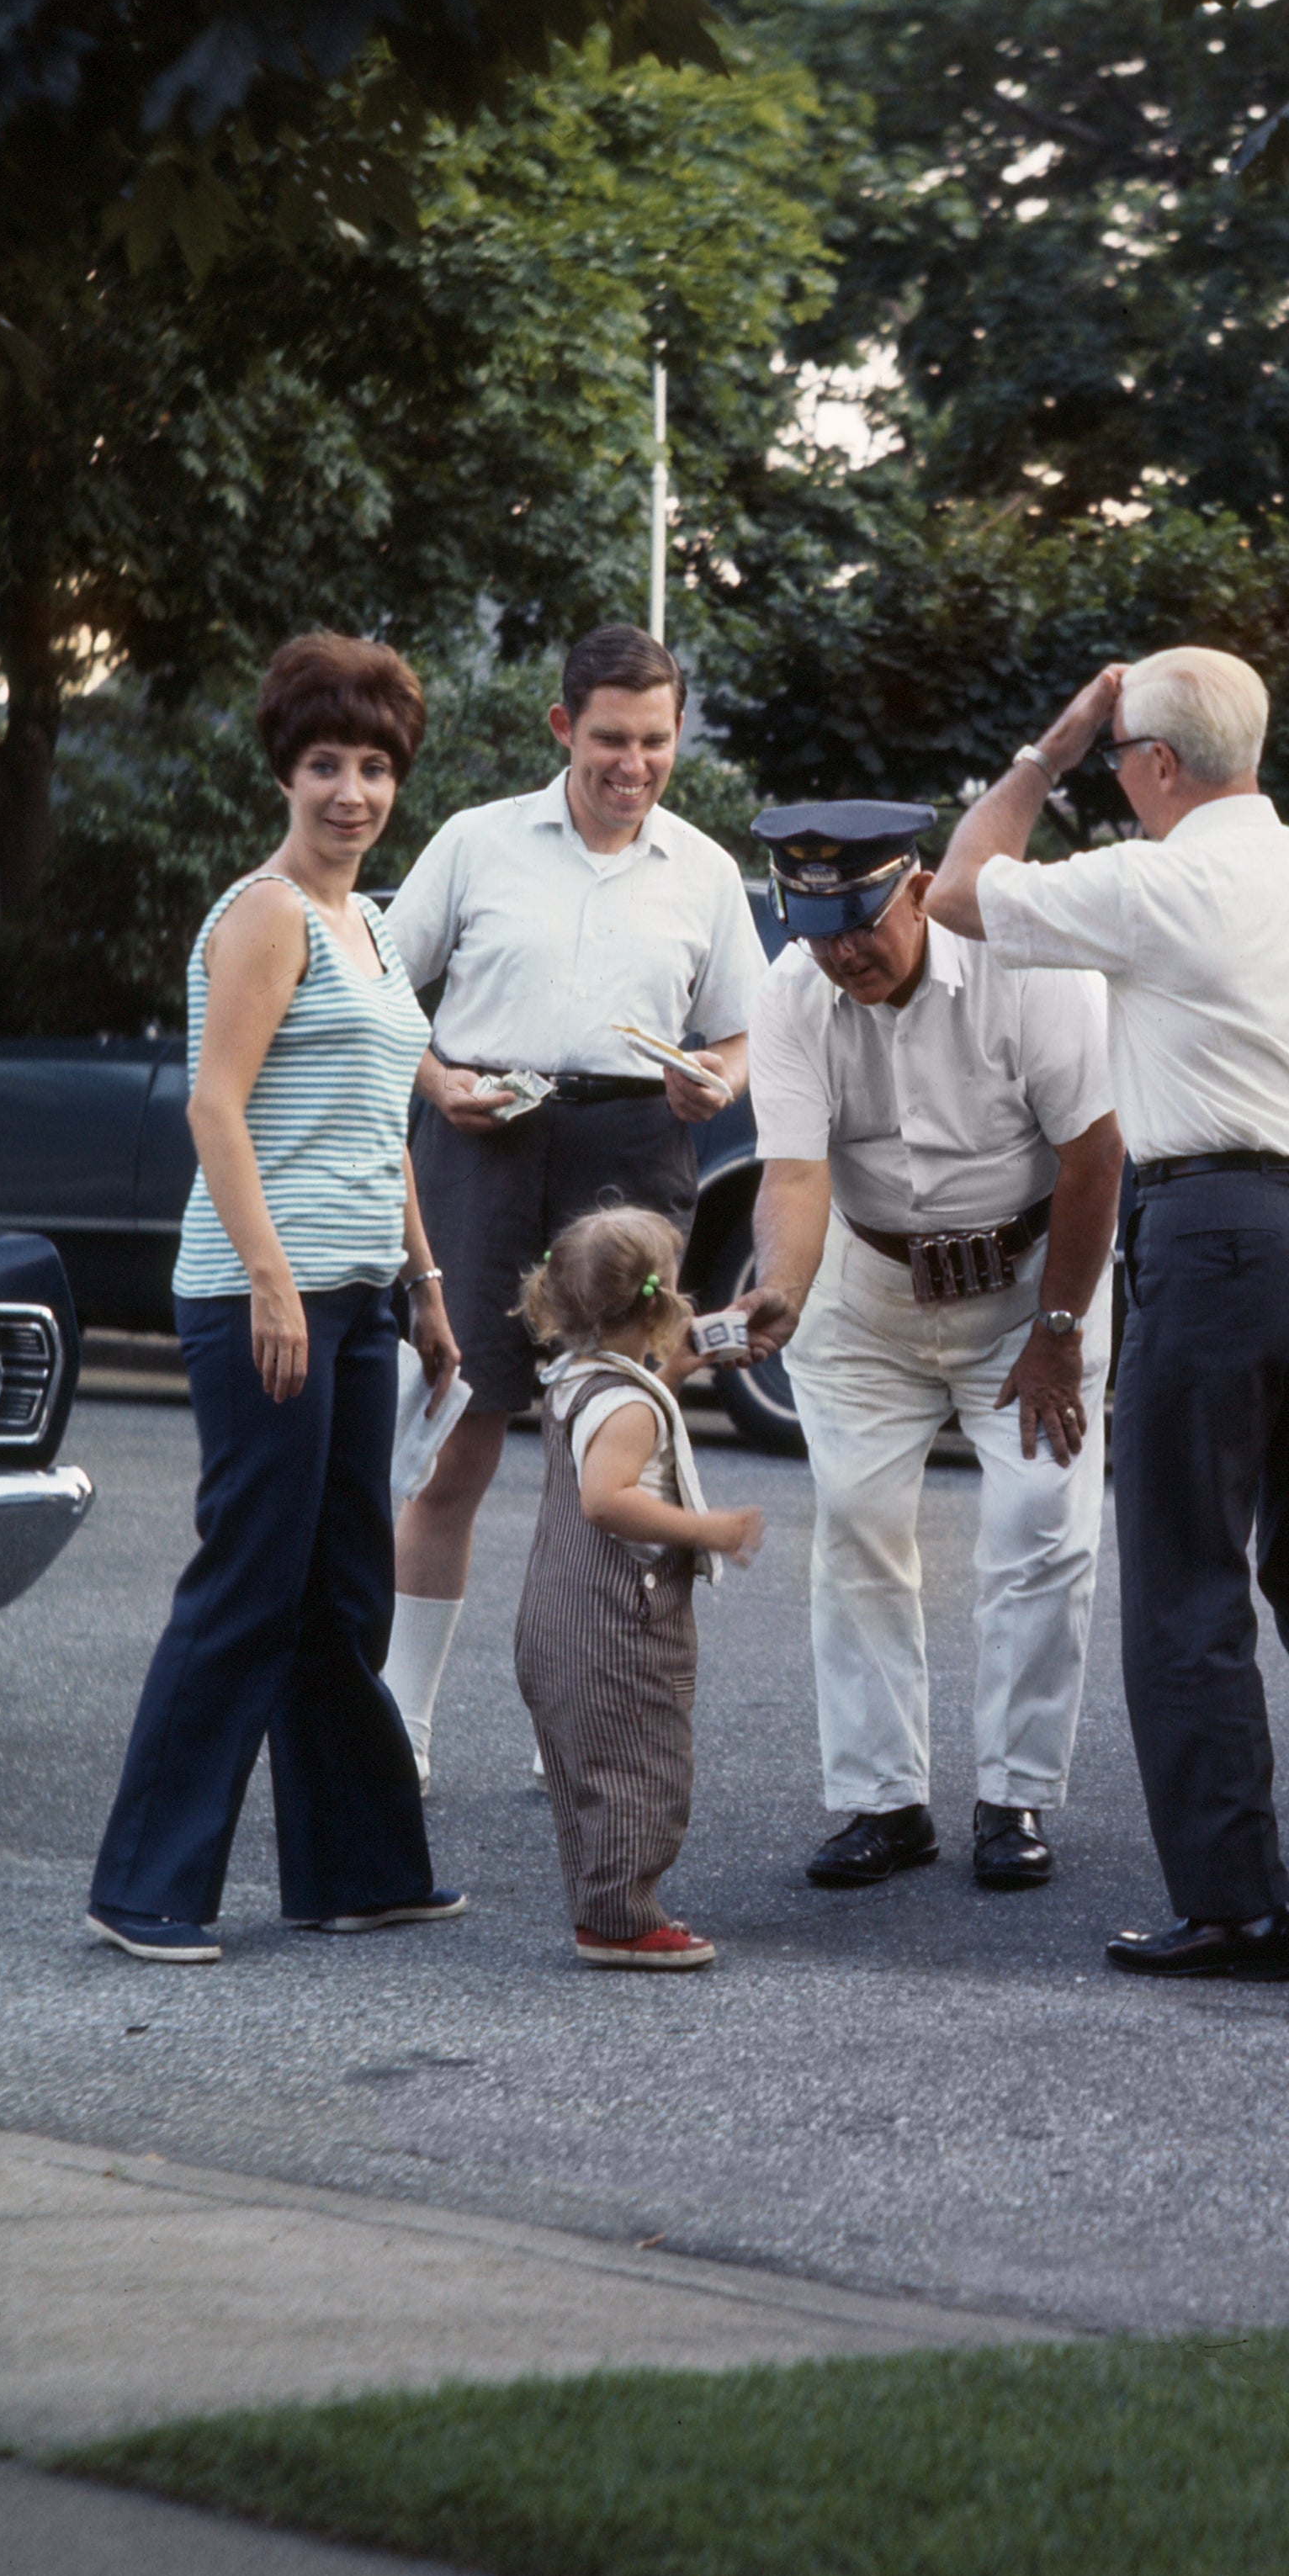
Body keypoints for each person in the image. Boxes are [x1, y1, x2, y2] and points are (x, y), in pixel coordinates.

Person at [929, 648, 1289, 1979]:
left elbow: (953, 889)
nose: (1116, 782)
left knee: (1186, 1577)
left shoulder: (1152, 883)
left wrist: (1048, 749)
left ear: (1160, 763)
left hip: (1216, 1231)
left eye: (1122, 761)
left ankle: (1239, 1903)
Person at [87, 635, 465, 1964]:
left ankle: (355, 1872)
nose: (352, 792)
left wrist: (423, 1283)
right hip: (264, 1292)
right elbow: (215, 1107)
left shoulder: (371, 925)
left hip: (358, 1293)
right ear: (284, 775)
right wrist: (268, 1280)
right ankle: (142, 1886)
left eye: (374, 768)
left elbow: (379, 1123)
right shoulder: (266, 914)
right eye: (325, 766)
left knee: (344, 1589)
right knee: (249, 1582)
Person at [378, 623, 766, 1786]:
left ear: (678, 732)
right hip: (483, 1142)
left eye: (654, 740)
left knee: (608, 1448)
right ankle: (401, 1726)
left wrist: (719, 1080)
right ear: (562, 728)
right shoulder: (476, 840)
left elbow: (743, 1033)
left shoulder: (703, 869)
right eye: (609, 739)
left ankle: (584, 1719)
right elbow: (375, 987)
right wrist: (438, 1082)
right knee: (457, 1441)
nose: (632, 764)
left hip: (635, 1149)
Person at [744, 802, 1120, 1892]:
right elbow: (794, 1172)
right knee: (856, 1526)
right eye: (817, 931)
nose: (842, 954)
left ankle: (1013, 1795)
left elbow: (1094, 1154)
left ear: (917, 889)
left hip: (1032, 1287)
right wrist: (778, 1292)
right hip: (867, 1290)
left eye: (861, 924)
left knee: (1041, 1525)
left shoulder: (1029, 967)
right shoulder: (790, 992)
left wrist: (1057, 1333)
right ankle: (883, 1802)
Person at [514, 1207, 765, 1969]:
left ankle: (602, 1904)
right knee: (640, 1769)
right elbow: (606, 1499)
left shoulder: (577, 1378)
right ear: (660, 1305)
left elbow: (621, 1436)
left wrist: (675, 1372)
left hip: (557, 1615)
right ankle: (621, 1920)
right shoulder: (627, 1406)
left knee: (588, 1773)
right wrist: (709, 1528)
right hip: (616, 1623)